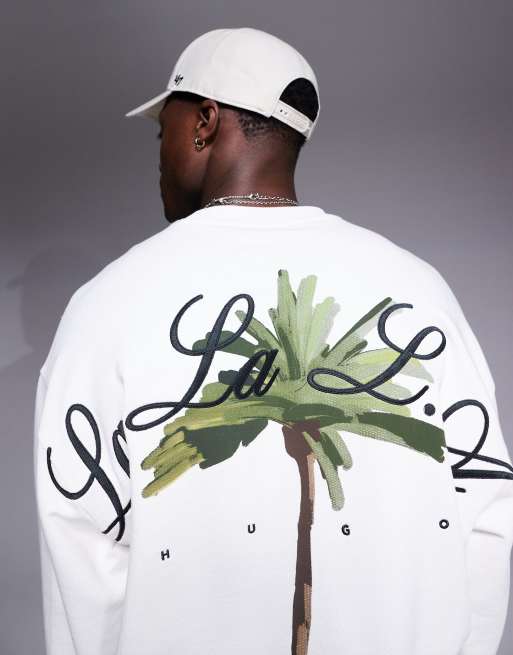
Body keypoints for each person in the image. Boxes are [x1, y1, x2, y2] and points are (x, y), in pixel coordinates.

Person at [33, 26, 513, 655]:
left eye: (163, 130)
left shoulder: (107, 304)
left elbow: (80, 541)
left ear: (204, 122)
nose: (159, 153)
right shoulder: (422, 291)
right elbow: (486, 510)